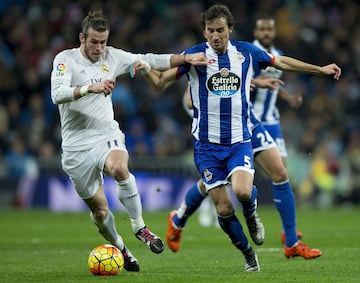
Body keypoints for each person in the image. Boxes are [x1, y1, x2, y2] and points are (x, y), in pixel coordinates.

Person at [134, 4, 340, 271]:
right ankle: (248, 253)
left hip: (239, 140)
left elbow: (282, 62)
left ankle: (252, 216)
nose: (215, 36)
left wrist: (320, 69)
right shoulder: (195, 56)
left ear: (230, 29)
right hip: (207, 147)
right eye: (210, 31)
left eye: (220, 30)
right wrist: (144, 68)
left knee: (243, 191)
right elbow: (161, 83)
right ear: (204, 32)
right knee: (222, 209)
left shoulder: (246, 52)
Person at [50, 10, 206, 272]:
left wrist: (186, 57)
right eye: (94, 42)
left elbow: (151, 59)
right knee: (100, 214)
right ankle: (122, 249)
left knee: (120, 168)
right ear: (82, 38)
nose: (99, 48)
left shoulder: (113, 56)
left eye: (103, 41)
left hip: (106, 134)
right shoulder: (65, 60)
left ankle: (140, 227)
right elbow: (58, 95)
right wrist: (91, 88)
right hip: (76, 147)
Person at [165, 79, 322, 260]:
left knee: (279, 172)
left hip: (251, 124)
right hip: (222, 128)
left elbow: (275, 67)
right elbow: (190, 94)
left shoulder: (257, 54)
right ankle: (179, 219)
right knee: (215, 184)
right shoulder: (221, 56)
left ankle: (291, 241)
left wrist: (290, 93)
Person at [251, 16, 304, 244]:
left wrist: (289, 97)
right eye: (261, 28)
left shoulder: (277, 54)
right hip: (250, 120)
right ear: (256, 30)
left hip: (272, 121)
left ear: (273, 32)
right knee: (265, 173)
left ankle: (288, 232)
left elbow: (273, 86)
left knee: (282, 173)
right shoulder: (248, 53)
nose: (265, 32)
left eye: (269, 29)